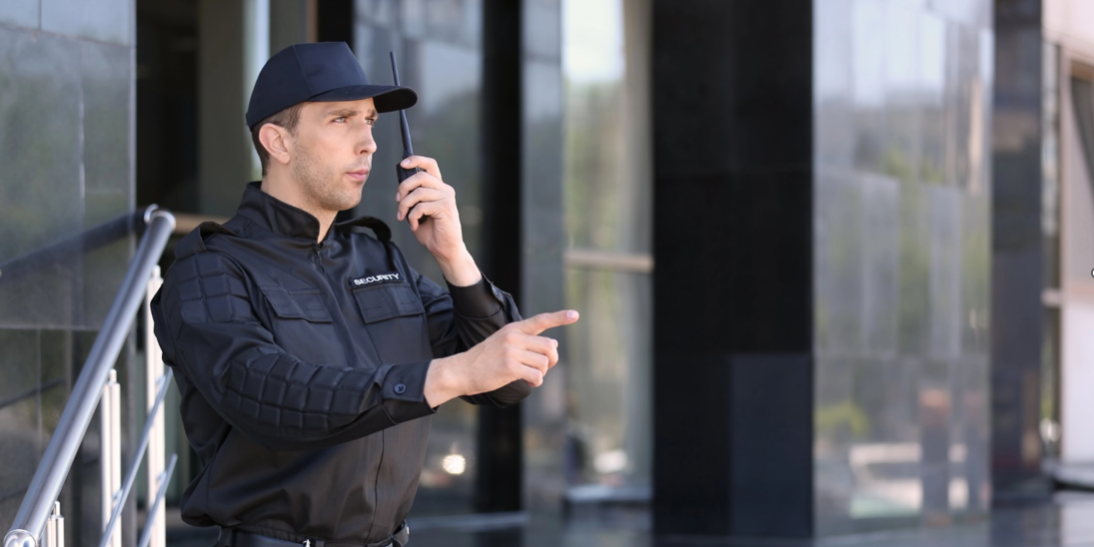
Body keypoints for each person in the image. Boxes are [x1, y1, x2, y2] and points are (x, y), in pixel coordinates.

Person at [150, 41, 578, 547]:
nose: (368, 142)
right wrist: (449, 375)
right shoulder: (210, 269)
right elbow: (266, 396)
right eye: (341, 119)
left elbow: (502, 384)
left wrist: (454, 257)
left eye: (371, 121)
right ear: (277, 142)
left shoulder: (378, 258)